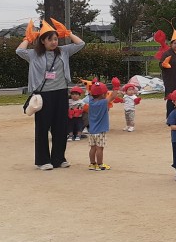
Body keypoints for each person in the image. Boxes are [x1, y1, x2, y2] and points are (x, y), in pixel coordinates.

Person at [16, 18, 85, 170]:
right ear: (42, 41)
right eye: (50, 39)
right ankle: (42, 161)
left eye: (55, 39)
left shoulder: (63, 51)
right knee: (42, 127)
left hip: (61, 93)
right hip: (43, 95)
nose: (54, 42)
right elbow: (19, 51)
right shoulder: (34, 54)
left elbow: (80, 44)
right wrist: (27, 39)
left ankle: (59, 158)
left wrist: (68, 33)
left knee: (60, 127)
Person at [86, 80, 111, 171]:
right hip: (100, 131)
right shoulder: (103, 102)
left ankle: (92, 164)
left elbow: (90, 93)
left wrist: (93, 85)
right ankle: (100, 164)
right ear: (103, 95)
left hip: (92, 131)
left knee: (93, 148)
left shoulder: (91, 101)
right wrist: (116, 88)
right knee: (100, 148)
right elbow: (112, 97)